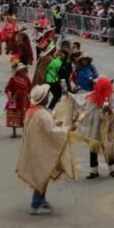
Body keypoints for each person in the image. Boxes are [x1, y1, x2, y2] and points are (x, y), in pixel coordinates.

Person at [15, 84, 76, 215]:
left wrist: (57, 124)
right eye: (47, 95)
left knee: (43, 175)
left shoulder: (32, 111)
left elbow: (46, 127)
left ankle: (41, 200)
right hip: (40, 150)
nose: (49, 96)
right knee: (42, 176)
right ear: (42, 99)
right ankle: (35, 205)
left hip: (33, 148)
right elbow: (52, 131)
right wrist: (68, 129)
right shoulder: (42, 114)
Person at [73, 77, 114, 179]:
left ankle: (112, 169)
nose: (97, 87)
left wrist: (110, 111)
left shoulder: (112, 96)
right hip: (95, 126)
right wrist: (70, 96)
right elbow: (81, 101)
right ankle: (93, 171)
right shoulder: (93, 95)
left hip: (106, 126)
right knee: (93, 146)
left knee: (108, 147)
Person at [4, 64, 32, 138]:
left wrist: (31, 95)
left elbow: (30, 87)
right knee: (14, 115)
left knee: (25, 115)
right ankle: (14, 132)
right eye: (23, 71)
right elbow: (7, 88)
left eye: (25, 71)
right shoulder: (13, 79)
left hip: (24, 100)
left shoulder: (26, 78)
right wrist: (9, 94)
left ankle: (25, 131)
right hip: (14, 99)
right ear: (19, 72)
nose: (25, 72)